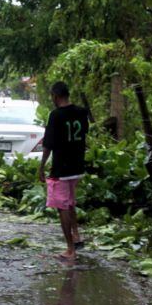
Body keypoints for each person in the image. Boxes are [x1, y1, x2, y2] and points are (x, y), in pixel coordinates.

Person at [39, 81, 89, 261]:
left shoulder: (56, 115)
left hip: (61, 168)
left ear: (55, 96)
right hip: (78, 165)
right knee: (70, 201)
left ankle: (70, 250)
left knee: (62, 207)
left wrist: (41, 167)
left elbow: (48, 145)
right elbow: (84, 134)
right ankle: (76, 235)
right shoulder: (81, 112)